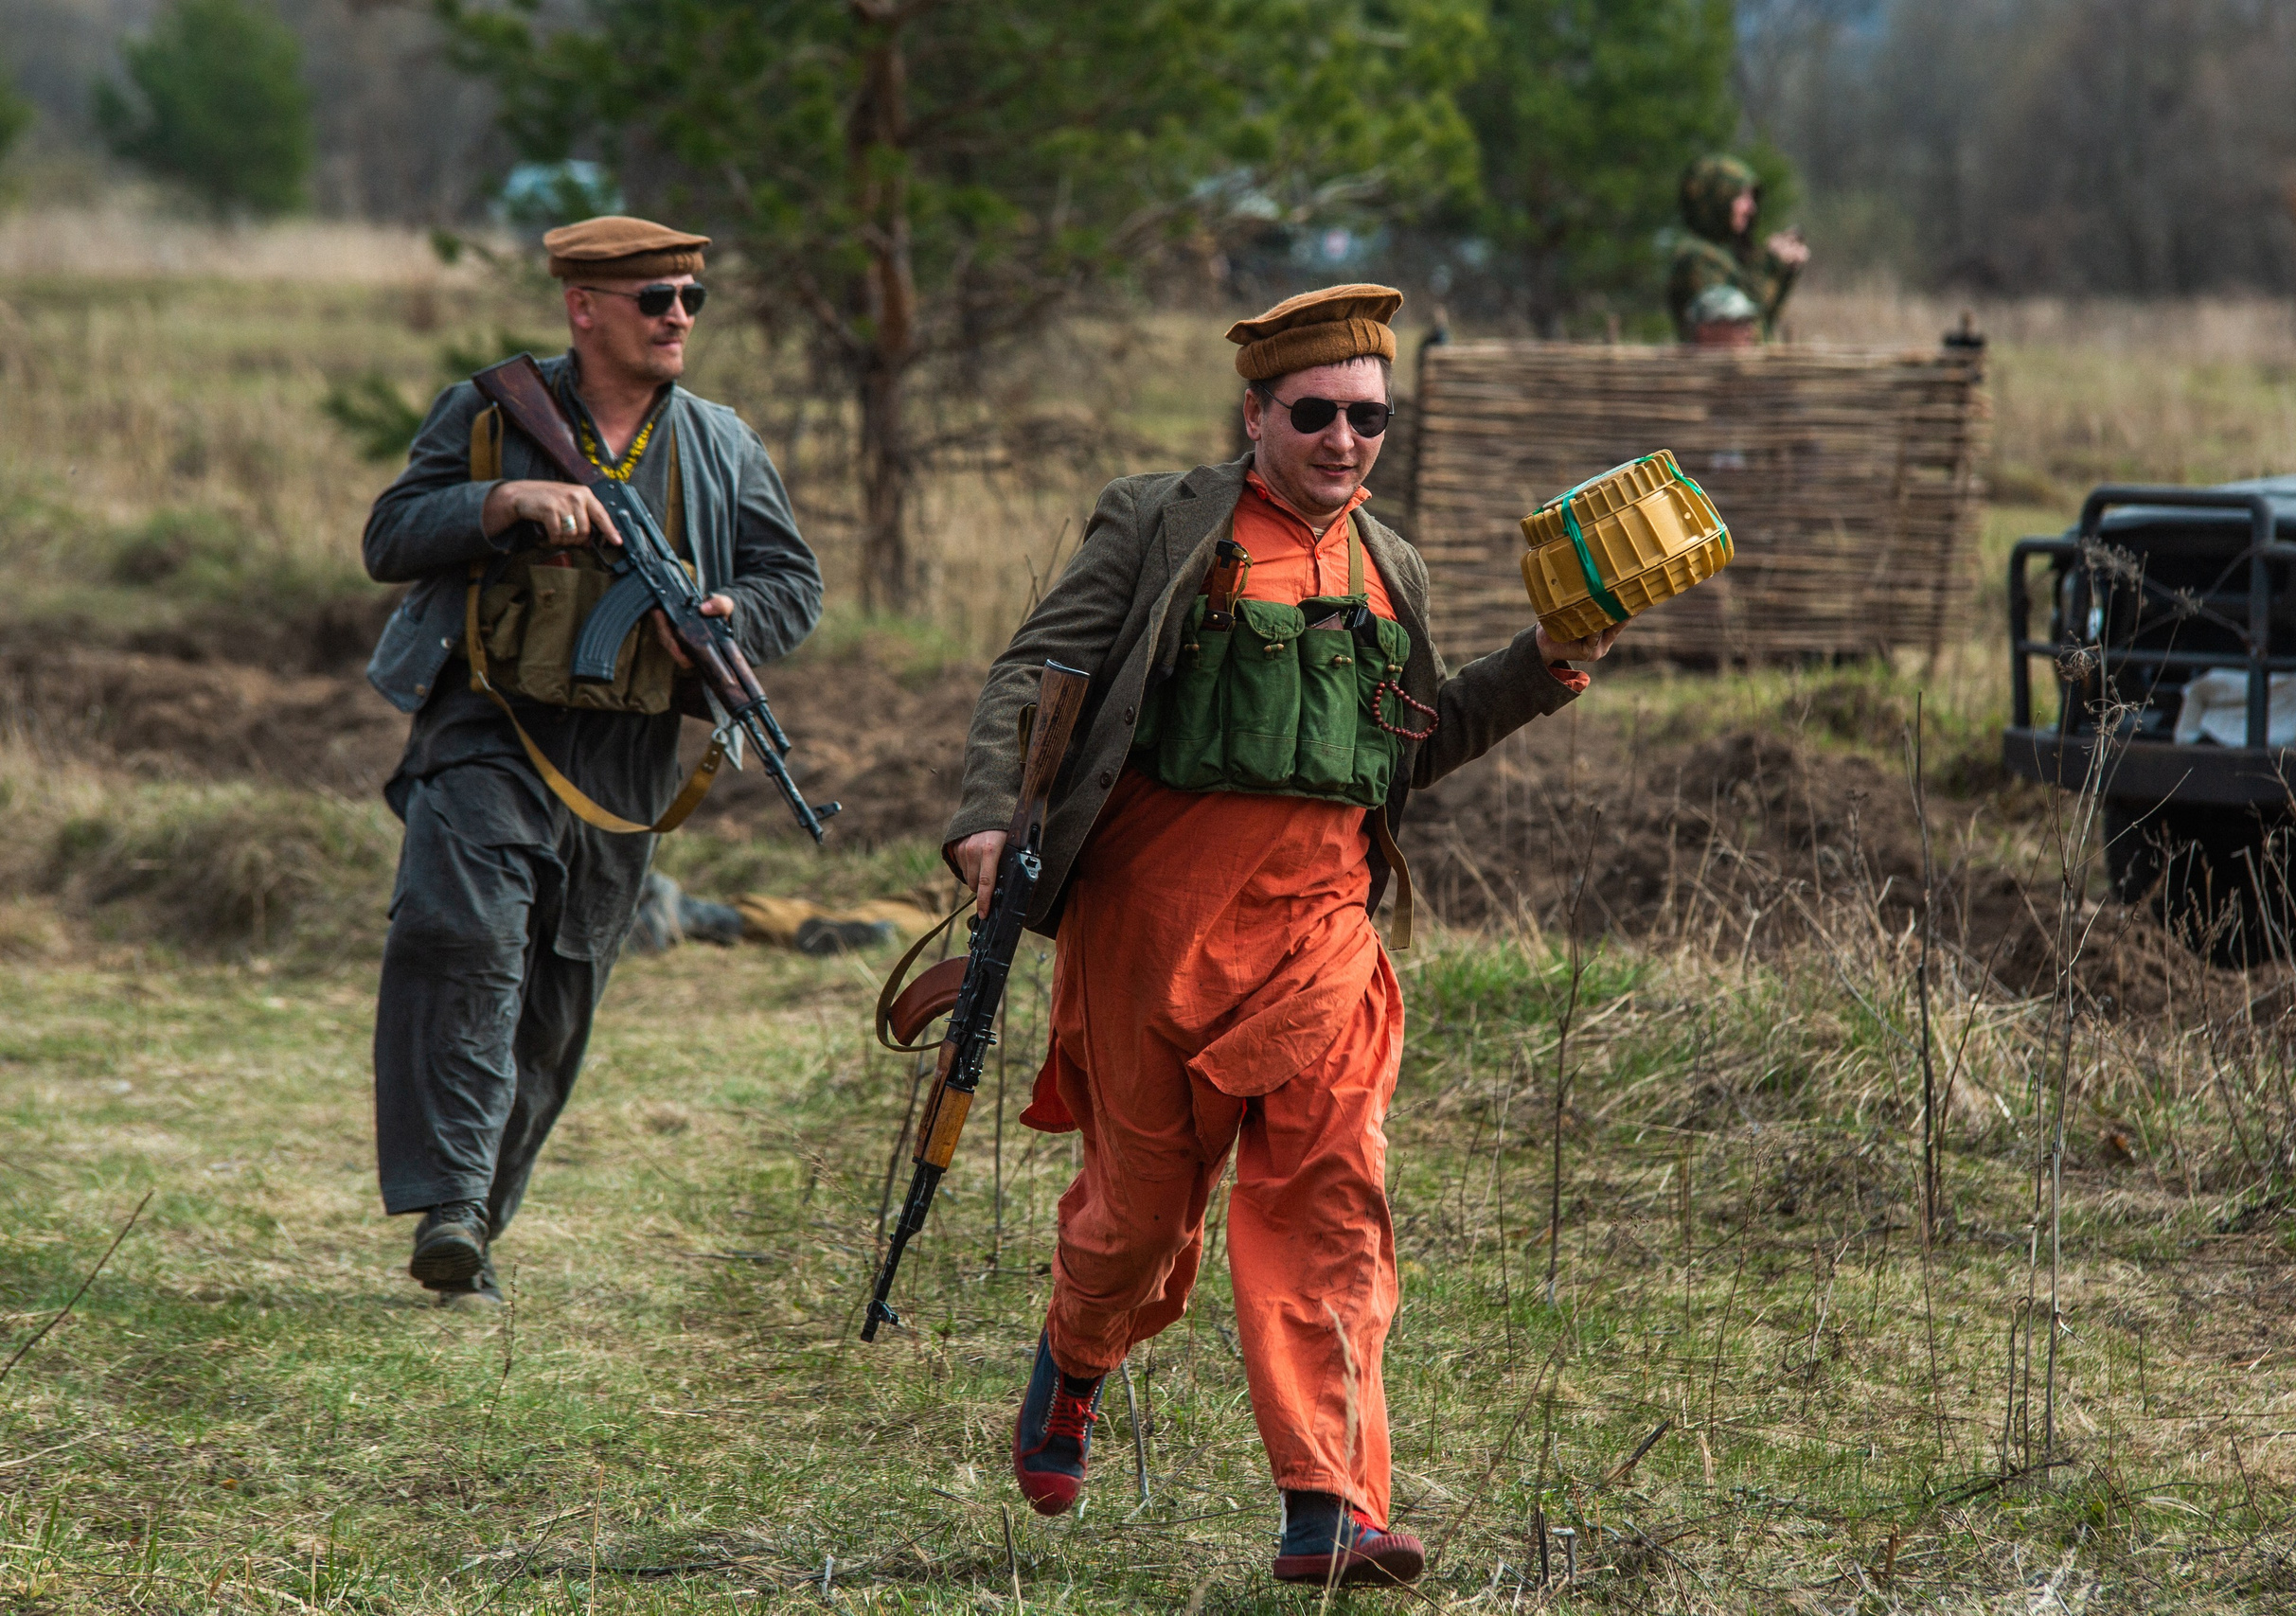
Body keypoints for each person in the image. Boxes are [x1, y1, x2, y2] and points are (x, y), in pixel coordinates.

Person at [941, 284, 1621, 1588]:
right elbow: (1038, 670)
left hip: (1321, 928)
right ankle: (1075, 1356)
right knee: (1139, 1213)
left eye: (1369, 416)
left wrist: (1547, 655)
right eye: (1315, 413)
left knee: (1329, 1196)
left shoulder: (1392, 565)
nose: (1345, 439)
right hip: (1151, 921)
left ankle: (1334, 1503)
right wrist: (987, 817)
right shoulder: (1157, 524)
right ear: (1255, 413)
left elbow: (1425, 737)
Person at [360, 216, 822, 1308]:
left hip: (624, 762)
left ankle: (479, 1225)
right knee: (461, 937)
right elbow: (389, 536)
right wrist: (500, 504)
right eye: (655, 299)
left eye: (690, 300)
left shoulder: (720, 442)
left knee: (559, 1000)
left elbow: (790, 584)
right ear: (583, 307)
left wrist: (728, 612)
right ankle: (450, 1203)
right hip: (487, 728)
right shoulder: (488, 413)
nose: (677, 319)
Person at [1666, 153, 1808, 342]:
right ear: (1717, 198)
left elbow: (1763, 324)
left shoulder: (1725, 255)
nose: (1751, 208)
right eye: (1741, 196)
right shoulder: (1696, 258)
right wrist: (1769, 266)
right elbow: (1735, 331)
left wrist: (1783, 273)